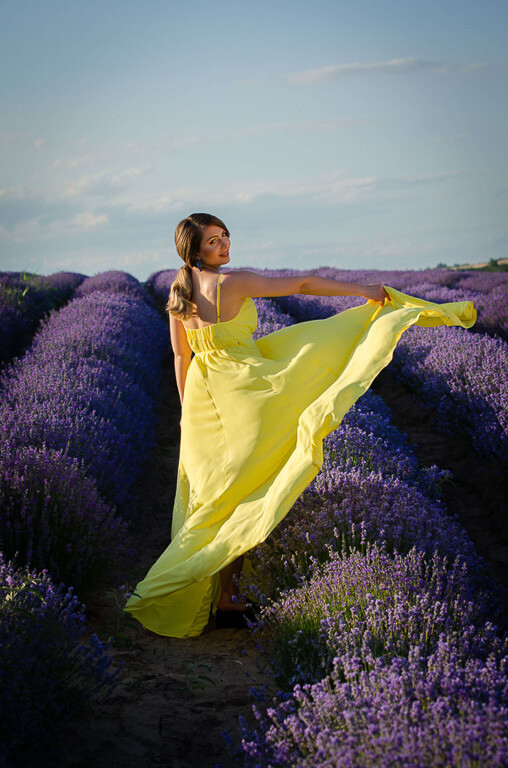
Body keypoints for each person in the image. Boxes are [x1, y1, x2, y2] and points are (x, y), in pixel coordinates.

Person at [124, 212, 476, 637]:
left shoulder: (178, 293)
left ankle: (218, 594)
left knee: (212, 498)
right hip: (246, 394)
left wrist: (185, 412)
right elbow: (304, 285)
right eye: (214, 241)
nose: (225, 245)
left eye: (225, 236)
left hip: (202, 400)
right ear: (194, 249)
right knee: (245, 491)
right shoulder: (232, 283)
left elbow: (182, 358)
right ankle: (227, 594)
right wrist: (365, 291)